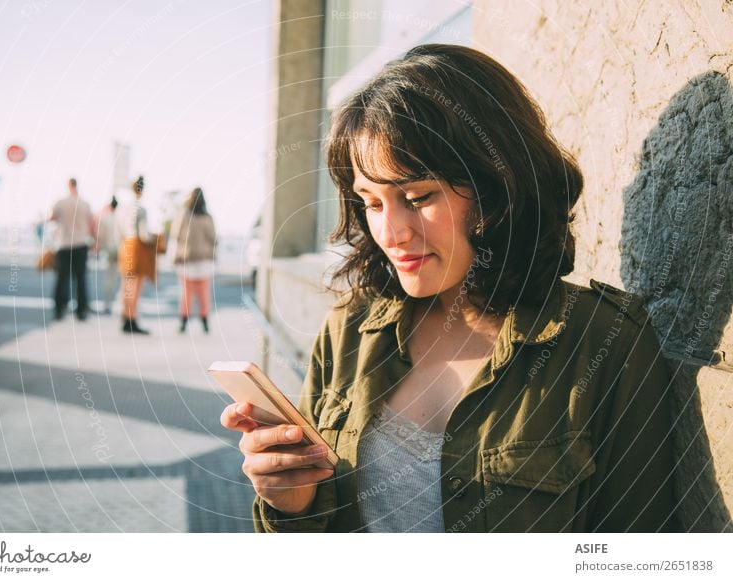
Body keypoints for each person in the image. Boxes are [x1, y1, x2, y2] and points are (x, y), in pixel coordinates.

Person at [220, 44, 680, 533]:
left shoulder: (605, 343)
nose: (391, 233)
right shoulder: (348, 331)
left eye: (417, 197)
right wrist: (291, 506)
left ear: (496, 188)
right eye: (372, 203)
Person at [170, 187, 216, 333]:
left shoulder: (183, 216)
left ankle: (183, 322)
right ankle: (205, 322)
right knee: (204, 295)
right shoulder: (208, 218)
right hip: (204, 262)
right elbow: (214, 239)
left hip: (187, 261)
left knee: (186, 294)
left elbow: (175, 236)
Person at [49, 177, 95, 320]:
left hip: (63, 244)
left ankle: (59, 309)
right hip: (81, 244)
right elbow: (91, 224)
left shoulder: (60, 203)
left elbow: (51, 218)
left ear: (68, 186)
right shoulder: (85, 204)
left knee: (62, 279)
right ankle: (81, 311)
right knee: (80, 279)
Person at [115, 176, 156, 334]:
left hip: (125, 246)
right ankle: (132, 319)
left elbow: (118, 231)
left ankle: (125, 318)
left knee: (126, 286)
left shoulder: (122, 208)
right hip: (137, 248)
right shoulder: (141, 209)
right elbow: (144, 235)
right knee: (136, 287)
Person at [95, 196, 119, 315]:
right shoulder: (120, 218)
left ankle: (107, 305)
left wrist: (100, 248)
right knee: (121, 279)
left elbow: (100, 236)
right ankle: (121, 304)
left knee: (109, 279)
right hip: (120, 251)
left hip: (109, 251)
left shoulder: (105, 218)